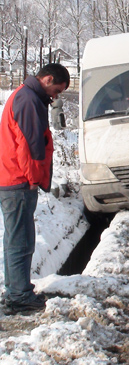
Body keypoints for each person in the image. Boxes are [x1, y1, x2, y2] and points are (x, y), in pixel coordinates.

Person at [0, 63, 70, 314]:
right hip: (18, 180)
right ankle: (19, 296)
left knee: (15, 238)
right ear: (47, 78)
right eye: (56, 90)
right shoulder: (29, 99)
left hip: (11, 177)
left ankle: (15, 290)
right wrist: (32, 179)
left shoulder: (23, 95)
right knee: (21, 239)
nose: (56, 96)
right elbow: (29, 145)